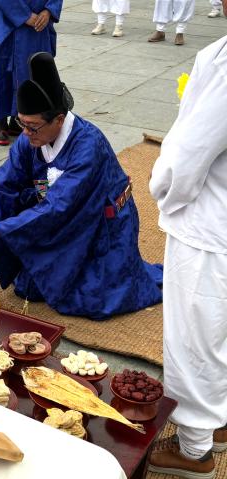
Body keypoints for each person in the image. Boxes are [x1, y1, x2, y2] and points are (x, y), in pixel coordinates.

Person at [0, 52, 162, 319]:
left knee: (91, 300)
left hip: (97, 222)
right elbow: (2, 183)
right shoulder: (31, 140)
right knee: (30, 287)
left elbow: (60, 206)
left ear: (59, 120)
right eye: (21, 124)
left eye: (33, 127)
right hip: (53, 214)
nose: (25, 134)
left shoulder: (89, 145)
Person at [147, 33, 227, 479]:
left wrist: (164, 189)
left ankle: (196, 449)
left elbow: (189, 150)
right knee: (216, 329)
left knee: (195, 335)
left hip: (208, 222)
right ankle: (218, 423)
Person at [0, 0, 63, 147]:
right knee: (2, 72)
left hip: (39, 20)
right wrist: (23, 15)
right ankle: (0, 123)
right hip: (5, 21)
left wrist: (49, 10)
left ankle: (18, 121)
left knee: (32, 70)